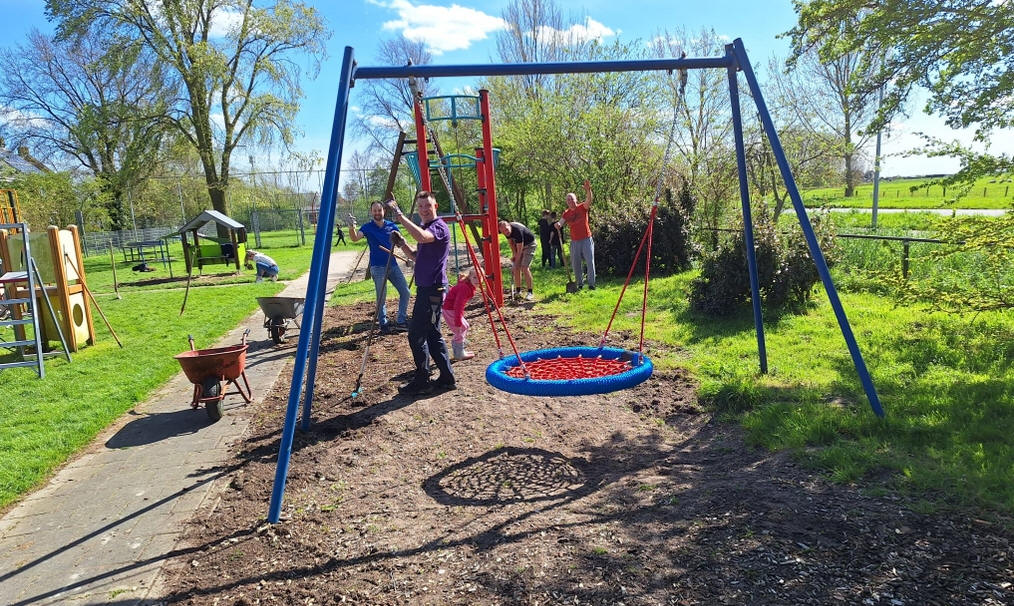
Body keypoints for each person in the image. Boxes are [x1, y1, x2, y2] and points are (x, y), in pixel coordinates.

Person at [386, 192, 455, 395]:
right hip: (427, 289)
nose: (424, 209)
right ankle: (446, 378)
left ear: (436, 205)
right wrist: (402, 244)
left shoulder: (438, 227)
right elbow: (417, 256)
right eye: (421, 207)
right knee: (432, 334)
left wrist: (399, 215)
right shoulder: (426, 227)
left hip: (433, 290)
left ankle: (423, 379)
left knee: (416, 334)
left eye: (428, 205)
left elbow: (423, 237)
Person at [347, 202, 413, 334]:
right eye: (374, 211)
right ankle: (383, 324)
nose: (377, 213)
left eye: (379, 210)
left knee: (405, 292)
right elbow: (355, 238)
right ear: (371, 212)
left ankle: (401, 320)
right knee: (381, 297)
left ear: (383, 211)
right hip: (378, 267)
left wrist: (410, 257)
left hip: (393, 265)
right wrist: (351, 227)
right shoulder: (367, 227)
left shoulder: (392, 226)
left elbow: (402, 243)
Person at [558, 179, 595, 290]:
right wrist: (558, 225)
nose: (570, 201)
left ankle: (591, 284)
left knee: (589, 261)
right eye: (568, 200)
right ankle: (579, 284)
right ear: (566, 202)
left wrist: (588, 190)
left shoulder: (582, 208)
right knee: (576, 264)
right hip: (575, 241)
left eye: (572, 199)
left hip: (586, 239)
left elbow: (589, 200)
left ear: (576, 200)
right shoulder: (566, 213)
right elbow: (561, 222)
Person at [442, 268, 480, 361]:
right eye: (474, 277)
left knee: (465, 326)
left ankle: (460, 345)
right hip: (450, 309)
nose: (477, 280)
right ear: (469, 277)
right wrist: (458, 321)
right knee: (461, 328)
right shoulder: (465, 288)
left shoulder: (467, 285)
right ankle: (459, 353)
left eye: (480, 278)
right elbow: (458, 305)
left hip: (451, 309)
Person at [498, 219, 537, 301]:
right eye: (503, 232)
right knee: (516, 268)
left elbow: (520, 249)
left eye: (506, 230)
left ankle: (530, 292)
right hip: (519, 246)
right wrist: (514, 255)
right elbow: (511, 243)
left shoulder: (517, 231)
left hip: (530, 245)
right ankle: (518, 291)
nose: (506, 232)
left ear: (509, 225)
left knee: (524, 267)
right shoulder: (506, 231)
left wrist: (516, 261)